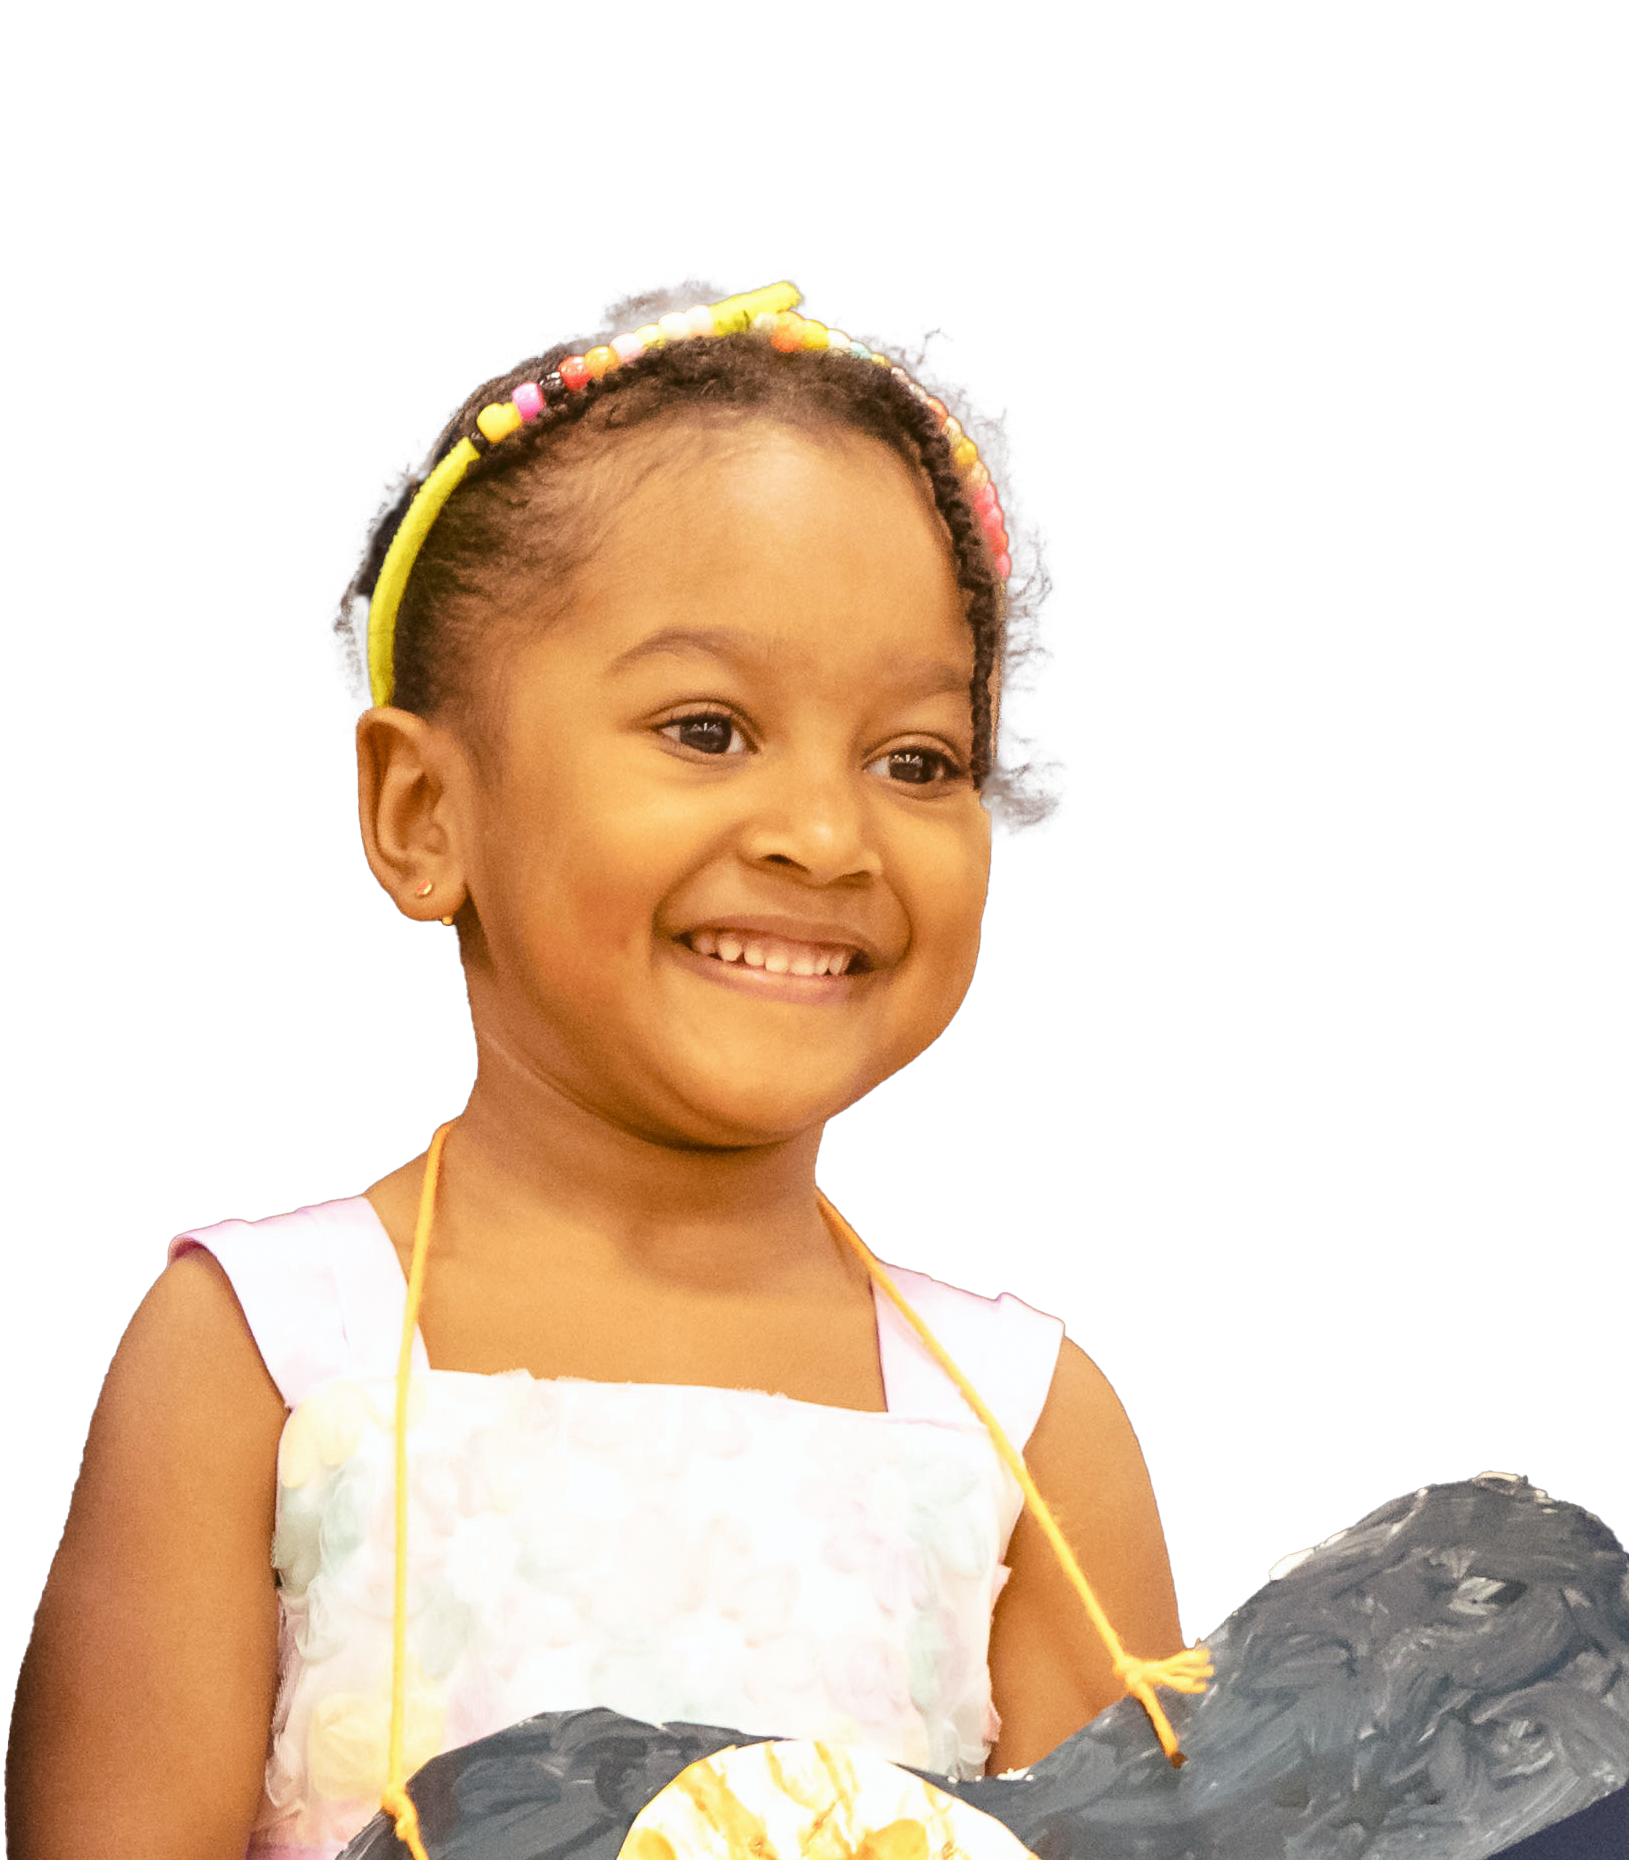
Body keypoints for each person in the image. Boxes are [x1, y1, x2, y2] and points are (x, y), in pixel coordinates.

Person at [6, 281, 1192, 1860]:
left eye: (916, 760)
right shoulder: (262, 1362)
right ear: (425, 812)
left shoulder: (1029, 1434)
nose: (825, 837)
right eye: (707, 729)